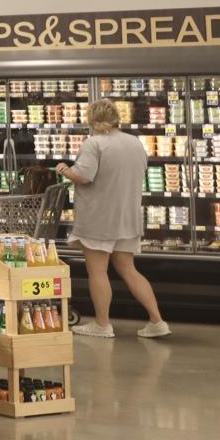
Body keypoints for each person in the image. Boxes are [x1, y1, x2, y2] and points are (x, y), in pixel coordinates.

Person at [56, 99, 169, 338]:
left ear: (92, 119)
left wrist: (64, 169)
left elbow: (84, 176)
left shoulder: (94, 143)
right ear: (117, 117)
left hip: (100, 218)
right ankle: (157, 321)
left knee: (97, 271)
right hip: (128, 216)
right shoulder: (134, 142)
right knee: (129, 270)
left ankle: (102, 324)